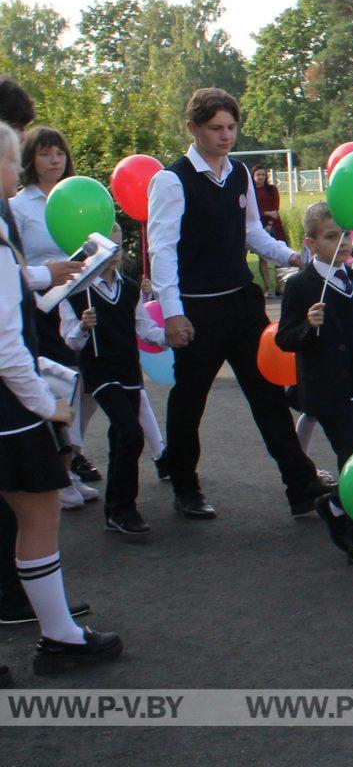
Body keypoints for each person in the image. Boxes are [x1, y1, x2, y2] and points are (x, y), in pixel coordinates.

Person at [147, 88, 321, 520]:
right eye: (216, 128)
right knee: (190, 401)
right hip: (197, 309)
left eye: (231, 127)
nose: (226, 136)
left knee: (268, 395)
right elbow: (162, 251)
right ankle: (186, 486)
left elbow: (251, 234)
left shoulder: (240, 173)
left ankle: (300, 489)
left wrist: (293, 256)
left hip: (242, 305)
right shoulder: (172, 180)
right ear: (193, 128)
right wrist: (172, 312)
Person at [0, 121, 122, 681]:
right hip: (9, 409)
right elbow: (6, 344)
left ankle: (58, 632)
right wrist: (45, 404)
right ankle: (59, 637)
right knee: (39, 511)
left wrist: (37, 273)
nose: (16, 170)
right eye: (11, 160)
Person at [276, 203, 353, 570]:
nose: (343, 242)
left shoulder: (350, 278)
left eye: (345, 234)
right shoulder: (302, 286)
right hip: (330, 393)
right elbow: (285, 339)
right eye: (332, 236)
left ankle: (335, 505)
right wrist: (309, 327)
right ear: (311, 244)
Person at [57, 224, 167, 536]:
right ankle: (124, 507)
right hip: (100, 371)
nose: (115, 254)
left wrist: (169, 337)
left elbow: (145, 329)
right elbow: (70, 342)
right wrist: (82, 327)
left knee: (121, 438)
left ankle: (115, 512)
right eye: (109, 247)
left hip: (129, 371)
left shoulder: (130, 287)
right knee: (131, 433)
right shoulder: (76, 291)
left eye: (119, 248)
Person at [11, 127, 100, 507]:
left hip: (76, 300)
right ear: (30, 159)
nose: (54, 160)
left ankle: (68, 468)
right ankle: (57, 476)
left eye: (59, 153)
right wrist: (49, 270)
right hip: (36, 305)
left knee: (77, 382)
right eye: (46, 153)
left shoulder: (75, 194)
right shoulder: (17, 205)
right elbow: (14, 262)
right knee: (56, 380)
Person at [250, 166, 287, 297]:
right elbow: (252, 209)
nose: (261, 177)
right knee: (263, 258)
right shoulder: (251, 191)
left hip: (275, 226)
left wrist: (270, 222)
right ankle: (267, 287)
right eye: (258, 175)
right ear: (253, 176)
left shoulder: (272, 189)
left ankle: (280, 286)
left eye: (263, 175)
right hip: (258, 225)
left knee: (279, 255)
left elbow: (275, 208)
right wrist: (266, 213)